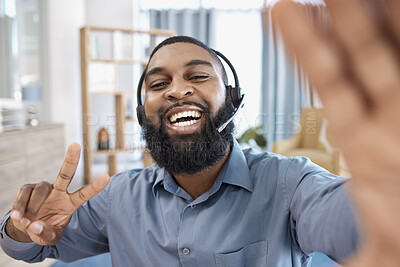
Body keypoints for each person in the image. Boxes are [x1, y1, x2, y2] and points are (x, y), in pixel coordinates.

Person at [0, 0, 399, 266]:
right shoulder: (116, 197)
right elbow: (27, 245)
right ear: (144, 115)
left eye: (198, 76)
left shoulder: (290, 183)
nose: (176, 89)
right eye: (158, 84)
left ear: (231, 98)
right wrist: (22, 225)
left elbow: (355, 222)